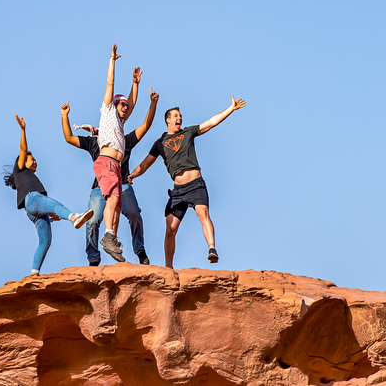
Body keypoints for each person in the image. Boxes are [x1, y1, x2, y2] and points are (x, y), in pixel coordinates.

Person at [128, 96, 246, 268]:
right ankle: (169, 268)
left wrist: (231, 108)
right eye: (176, 115)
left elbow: (211, 123)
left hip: (195, 185)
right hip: (178, 191)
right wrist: (131, 176)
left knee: (203, 214)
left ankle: (212, 248)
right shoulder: (160, 143)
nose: (179, 118)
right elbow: (145, 163)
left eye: (180, 116)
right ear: (168, 120)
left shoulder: (188, 132)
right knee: (170, 229)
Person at [60, 86, 159, 265]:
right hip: (100, 185)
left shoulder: (123, 139)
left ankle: (140, 251)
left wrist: (139, 89)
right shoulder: (94, 143)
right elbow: (69, 138)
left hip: (123, 183)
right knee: (91, 221)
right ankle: (93, 259)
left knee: (135, 214)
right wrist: (65, 116)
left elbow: (144, 126)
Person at [3, 115, 95, 276]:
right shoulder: (20, 170)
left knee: (45, 242)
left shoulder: (26, 177)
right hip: (33, 199)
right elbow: (23, 150)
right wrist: (23, 130)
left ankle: (34, 273)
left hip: (32, 210)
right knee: (55, 204)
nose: (35, 161)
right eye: (31, 159)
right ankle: (74, 217)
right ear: (22, 162)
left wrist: (52, 214)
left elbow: (43, 207)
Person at [95, 43, 138, 262]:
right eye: (122, 104)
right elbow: (110, 84)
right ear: (114, 104)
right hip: (106, 161)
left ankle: (112, 238)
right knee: (112, 198)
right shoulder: (108, 111)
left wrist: (135, 84)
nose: (125, 107)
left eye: (126, 106)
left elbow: (133, 103)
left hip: (116, 166)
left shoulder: (120, 123)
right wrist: (112, 60)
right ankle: (108, 235)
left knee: (118, 203)